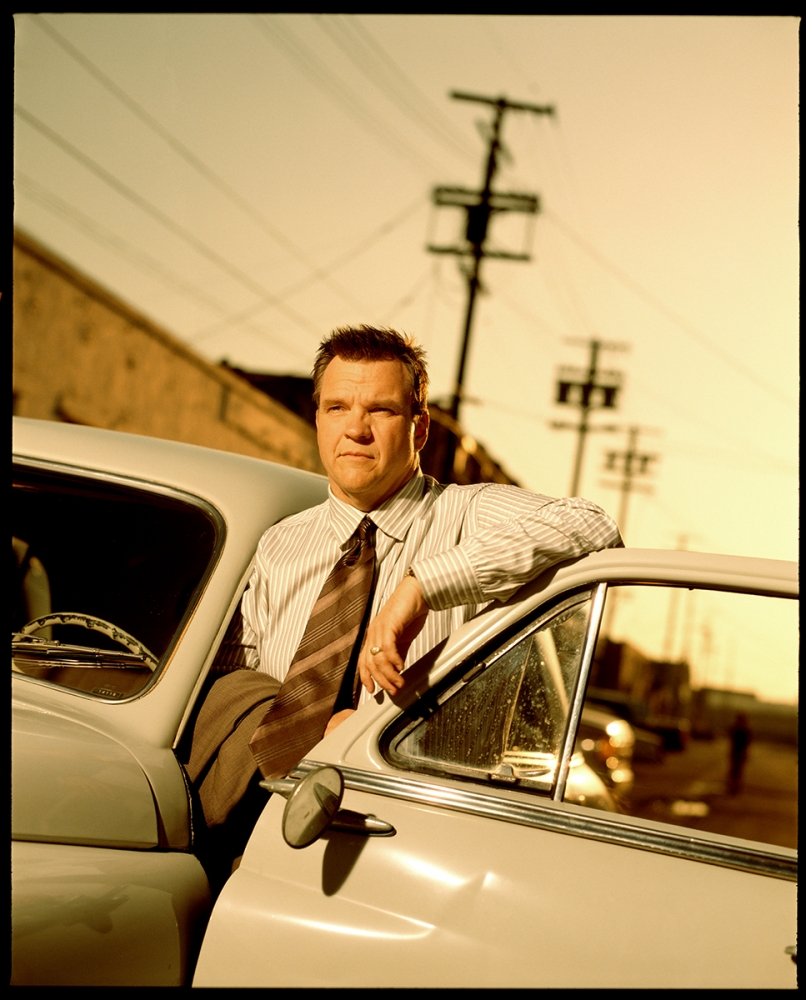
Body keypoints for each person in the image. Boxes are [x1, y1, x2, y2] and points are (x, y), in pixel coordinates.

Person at [185, 325, 622, 883]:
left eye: (382, 410)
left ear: (419, 428)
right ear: (318, 419)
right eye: (337, 407)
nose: (356, 429)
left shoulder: (465, 515)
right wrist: (316, 729)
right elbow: (229, 683)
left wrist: (423, 585)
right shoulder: (279, 544)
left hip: (408, 843)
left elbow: (594, 525)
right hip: (260, 833)